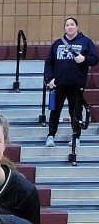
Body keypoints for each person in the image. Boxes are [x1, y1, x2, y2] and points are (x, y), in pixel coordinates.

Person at [44, 17, 98, 145]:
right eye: (67, 25)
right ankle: (51, 136)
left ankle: (76, 137)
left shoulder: (86, 42)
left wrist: (84, 59)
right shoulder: (57, 43)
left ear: (77, 27)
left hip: (76, 83)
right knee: (55, 110)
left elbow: (95, 58)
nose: (69, 27)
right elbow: (49, 62)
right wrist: (49, 79)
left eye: (72, 24)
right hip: (59, 83)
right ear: (64, 28)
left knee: (75, 110)